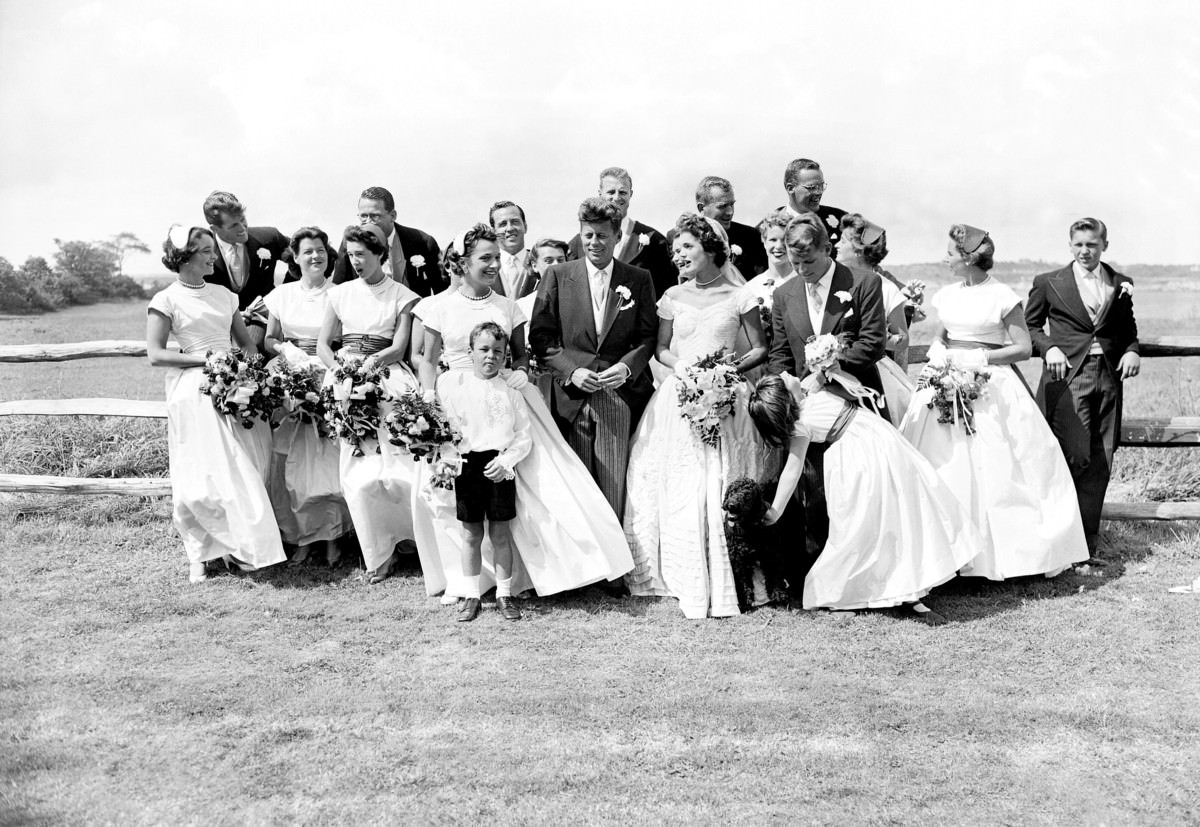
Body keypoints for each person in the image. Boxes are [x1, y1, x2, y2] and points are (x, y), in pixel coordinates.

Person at [416, 223, 634, 600]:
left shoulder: (507, 306)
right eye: (484, 258)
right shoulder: (440, 307)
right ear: (462, 262)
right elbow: (429, 361)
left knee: (536, 489)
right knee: (451, 491)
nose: (493, 265)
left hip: (505, 400)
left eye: (496, 258)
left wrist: (517, 372)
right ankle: (465, 579)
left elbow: (520, 355)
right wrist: (427, 401)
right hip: (456, 402)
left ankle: (527, 576)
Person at [899, 224, 1089, 579]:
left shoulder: (1001, 295)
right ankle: (949, 553)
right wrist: (941, 352)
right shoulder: (948, 293)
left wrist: (979, 360)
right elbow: (943, 335)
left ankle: (1006, 555)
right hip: (946, 379)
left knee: (999, 464)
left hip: (988, 384)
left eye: (951, 254)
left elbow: (1022, 347)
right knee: (945, 461)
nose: (946, 258)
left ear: (969, 259)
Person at [622, 213, 778, 619]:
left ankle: (733, 571)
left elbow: (759, 348)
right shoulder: (672, 296)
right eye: (675, 249)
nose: (678, 255)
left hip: (728, 393)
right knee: (679, 478)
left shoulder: (740, 295)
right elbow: (662, 349)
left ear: (711, 248)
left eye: (687, 247)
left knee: (722, 476)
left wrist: (727, 374)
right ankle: (679, 574)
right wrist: (686, 371)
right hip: (681, 394)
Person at [748, 371, 982, 621]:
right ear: (784, 397)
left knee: (905, 510)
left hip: (882, 445)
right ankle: (847, 589)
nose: (786, 373)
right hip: (860, 460)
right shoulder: (800, 424)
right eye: (783, 379)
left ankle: (908, 583)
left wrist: (829, 369)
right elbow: (792, 469)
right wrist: (775, 510)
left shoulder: (811, 392)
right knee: (863, 527)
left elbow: (856, 388)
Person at [146, 225, 286, 583]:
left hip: (234, 386)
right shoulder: (166, 300)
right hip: (193, 392)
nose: (213, 256)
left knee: (242, 467)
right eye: (206, 251)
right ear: (185, 257)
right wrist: (206, 361)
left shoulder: (224, 295)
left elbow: (248, 344)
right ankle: (201, 551)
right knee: (201, 474)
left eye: (212, 249)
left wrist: (248, 375)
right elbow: (156, 354)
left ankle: (244, 547)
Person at [530, 198, 658, 522]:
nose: (593, 243)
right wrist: (571, 372)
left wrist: (626, 367)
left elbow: (647, 338)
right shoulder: (558, 276)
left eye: (601, 235)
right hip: (570, 399)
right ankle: (588, 566)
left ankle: (615, 569)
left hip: (618, 395)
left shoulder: (638, 279)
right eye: (587, 235)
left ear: (617, 236)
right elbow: (541, 338)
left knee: (614, 484)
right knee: (577, 487)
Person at [1026, 218, 1140, 560]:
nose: (1084, 251)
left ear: (1104, 244)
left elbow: (1127, 327)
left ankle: (1086, 547)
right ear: (1070, 245)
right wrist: (1049, 348)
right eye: (1078, 244)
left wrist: (1132, 349)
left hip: (1109, 377)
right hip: (1067, 379)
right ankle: (1060, 545)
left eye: (1091, 244)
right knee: (1073, 457)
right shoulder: (1049, 282)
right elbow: (1029, 327)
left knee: (1101, 460)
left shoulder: (1120, 282)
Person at [318, 223, 422, 583]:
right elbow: (322, 345)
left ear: (380, 254)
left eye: (362, 254)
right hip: (346, 381)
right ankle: (377, 552)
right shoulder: (340, 294)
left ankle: (410, 541)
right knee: (358, 469)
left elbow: (398, 346)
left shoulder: (403, 296)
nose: (356, 261)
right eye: (350, 254)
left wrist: (368, 369)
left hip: (386, 376)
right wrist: (342, 375)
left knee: (397, 465)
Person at [262, 226, 351, 566]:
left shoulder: (340, 293)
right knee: (288, 460)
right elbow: (269, 339)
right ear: (295, 258)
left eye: (321, 250)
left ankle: (332, 536)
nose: (316, 256)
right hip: (290, 375)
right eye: (308, 251)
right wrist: (286, 350)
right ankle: (299, 536)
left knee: (325, 459)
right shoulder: (282, 294)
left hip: (327, 373)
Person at [440, 322, 533, 622]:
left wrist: (506, 462)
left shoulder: (511, 393)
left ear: (506, 356)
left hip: (499, 466)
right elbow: (448, 432)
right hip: (467, 466)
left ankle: (504, 594)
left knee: (500, 533)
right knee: (470, 534)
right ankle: (471, 595)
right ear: (470, 352)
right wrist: (449, 460)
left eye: (498, 352)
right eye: (483, 350)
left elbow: (523, 435)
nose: (490, 356)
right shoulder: (457, 389)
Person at [836, 213, 913, 419]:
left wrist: (875, 339)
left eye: (843, 241)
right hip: (836, 366)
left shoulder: (887, 289)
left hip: (875, 374)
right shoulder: (835, 283)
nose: (836, 245)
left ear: (859, 250)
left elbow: (903, 339)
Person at [201, 191, 293, 353]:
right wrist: (227, 317)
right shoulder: (202, 250)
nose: (242, 228)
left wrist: (284, 294)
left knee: (248, 350)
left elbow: (310, 255)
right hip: (217, 324)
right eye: (233, 225)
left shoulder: (269, 237)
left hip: (259, 322)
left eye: (243, 220)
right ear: (214, 229)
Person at [567, 167, 675, 297]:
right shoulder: (578, 244)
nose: (617, 198)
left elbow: (666, 290)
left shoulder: (655, 241)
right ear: (600, 193)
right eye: (611, 192)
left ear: (631, 194)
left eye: (623, 192)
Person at [331, 186, 446, 296]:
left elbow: (442, 292)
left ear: (393, 216)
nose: (368, 222)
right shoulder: (351, 244)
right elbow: (339, 288)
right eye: (363, 216)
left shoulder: (423, 242)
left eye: (375, 216)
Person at [693, 175, 768, 277]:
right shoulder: (683, 239)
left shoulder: (750, 237)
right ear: (701, 208)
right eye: (722, 206)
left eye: (732, 204)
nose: (730, 212)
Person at [780, 158, 848, 257]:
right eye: (812, 188)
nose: (818, 192)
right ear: (790, 188)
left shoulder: (841, 219)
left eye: (821, 186)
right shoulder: (770, 228)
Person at [489, 200, 540, 300]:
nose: (510, 228)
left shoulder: (540, 263)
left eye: (515, 222)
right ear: (493, 231)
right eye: (503, 224)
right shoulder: (484, 266)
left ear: (525, 226)